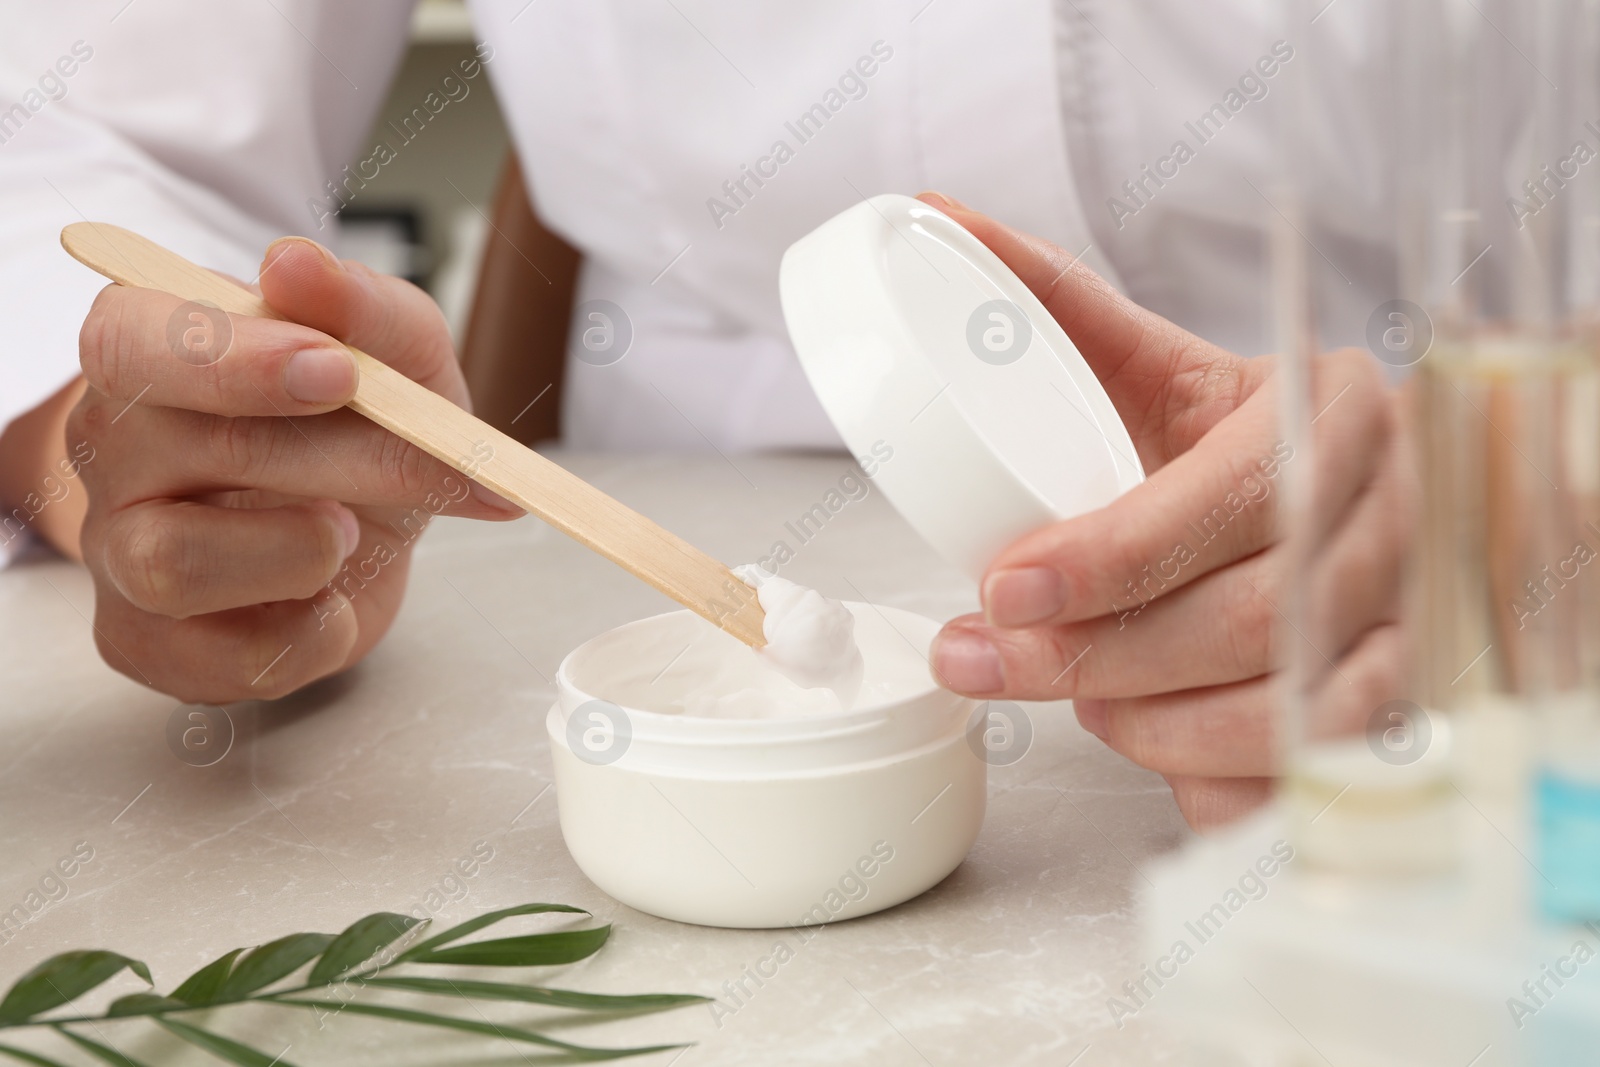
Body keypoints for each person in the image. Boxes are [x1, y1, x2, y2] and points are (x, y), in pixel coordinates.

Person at [0, 2, 1404, 828]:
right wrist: (171, 451)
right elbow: (89, 126)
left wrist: (1532, 497)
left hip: (1468, 552)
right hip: (657, 485)